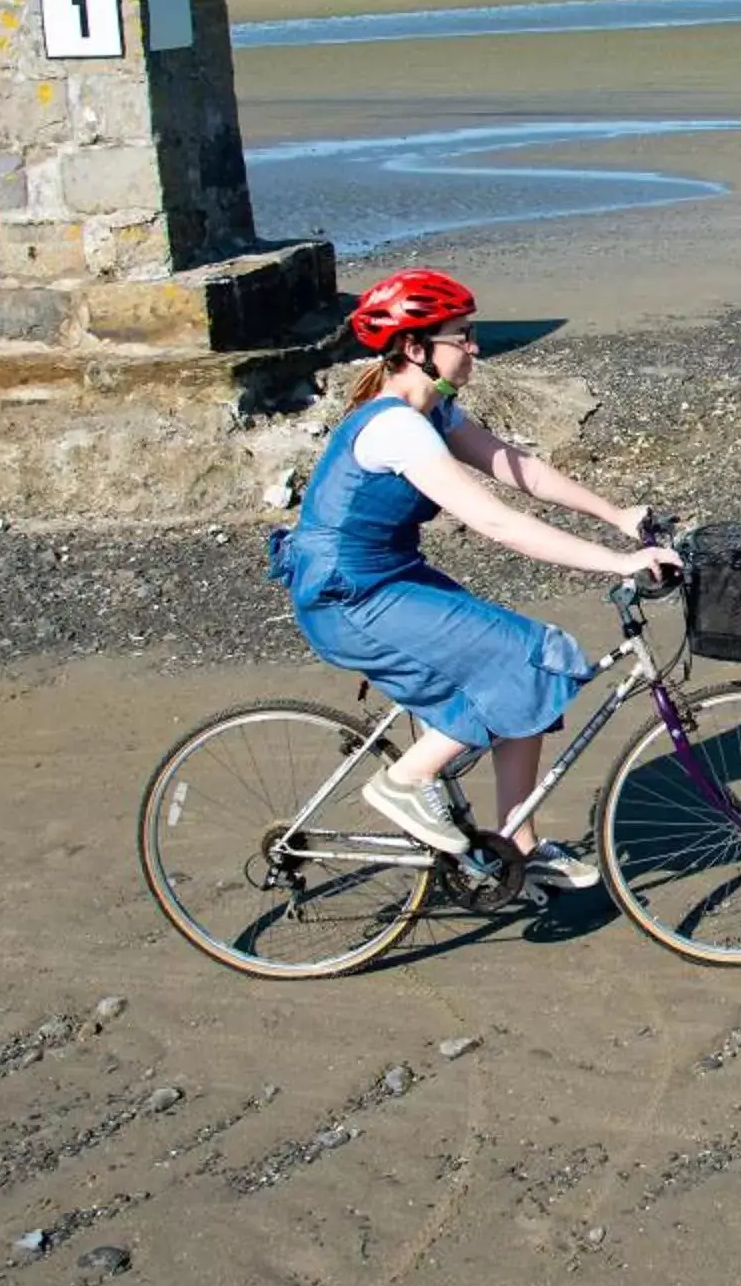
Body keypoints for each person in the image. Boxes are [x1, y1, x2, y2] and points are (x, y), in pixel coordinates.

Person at [268, 268, 684, 891]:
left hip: (389, 579)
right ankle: (403, 783)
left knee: (538, 663)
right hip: (348, 596)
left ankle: (519, 842)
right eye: (462, 336)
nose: (475, 348)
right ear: (415, 349)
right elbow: (495, 521)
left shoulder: (433, 411)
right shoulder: (396, 427)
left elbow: (520, 471)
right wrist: (618, 562)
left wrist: (616, 515)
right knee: (522, 660)